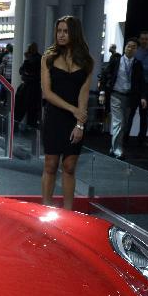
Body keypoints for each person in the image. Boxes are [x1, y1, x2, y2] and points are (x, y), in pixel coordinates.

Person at [40, 16, 94, 210]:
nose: (61, 35)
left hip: (75, 120)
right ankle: (46, 209)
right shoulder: (48, 57)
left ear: (74, 33)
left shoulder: (87, 61)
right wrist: (74, 110)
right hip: (54, 117)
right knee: (50, 165)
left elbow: (84, 94)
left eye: (65, 31)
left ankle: (69, 213)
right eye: (59, 31)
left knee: (70, 167)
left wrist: (80, 124)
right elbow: (47, 93)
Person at [99, 37, 146, 159]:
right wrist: (102, 92)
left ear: (137, 50)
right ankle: (118, 150)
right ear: (125, 47)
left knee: (124, 124)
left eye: (133, 47)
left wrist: (143, 97)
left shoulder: (138, 64)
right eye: (128, 46)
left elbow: (141, 82)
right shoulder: (117, 60)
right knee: (118, 122)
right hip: (116, 95)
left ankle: (113, 147)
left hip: (130, 98)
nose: (130, 48)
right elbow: (104, 74)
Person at [15, 42, 42, 128]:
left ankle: (17, 125)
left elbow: (22, 71)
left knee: (22, 107)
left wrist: (26, 75)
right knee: (32, 109)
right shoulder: (39, 58)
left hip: (29, 87)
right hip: (34, 87)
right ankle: (31, 127)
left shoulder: (32, 59)